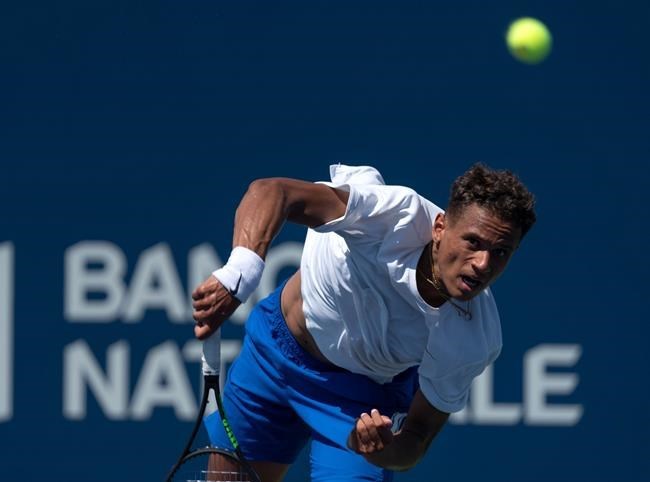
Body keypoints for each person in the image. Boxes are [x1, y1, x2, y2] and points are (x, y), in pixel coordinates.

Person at [191, 163, 536, 482]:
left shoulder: (474, 339)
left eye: (501, 252)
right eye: (473, 242)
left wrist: (382, 448)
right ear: (440, 227)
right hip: (273, 355)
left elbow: (416, 439)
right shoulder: (393, 216)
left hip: (362, 403)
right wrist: (241, 271)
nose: (482, 263)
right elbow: (273, 191)